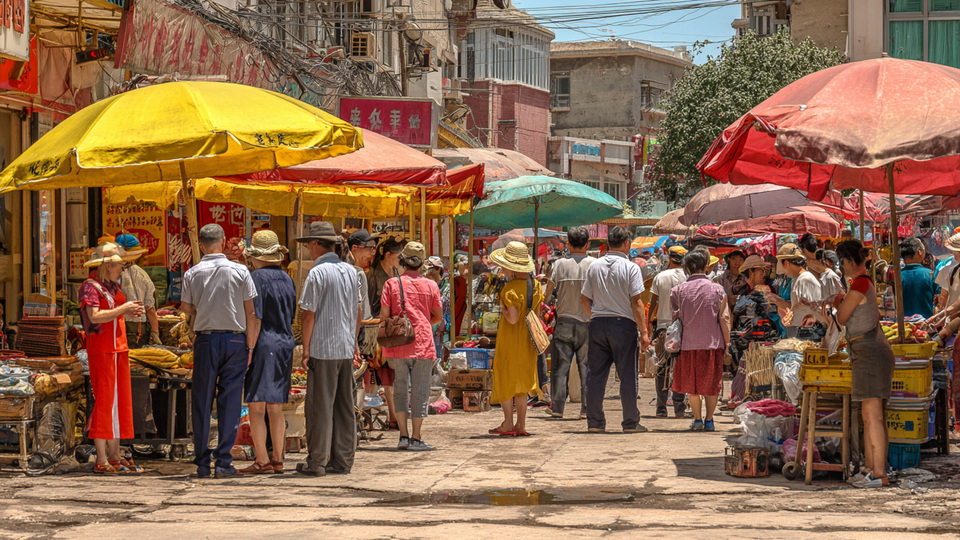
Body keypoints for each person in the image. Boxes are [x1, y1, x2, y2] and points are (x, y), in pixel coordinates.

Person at [180, 224, 259, 479]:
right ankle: (224, 461)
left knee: (202, 402)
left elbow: (186, 307)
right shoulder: (241, 271)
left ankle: (202, 462)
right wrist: (250, 345)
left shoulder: (192, 272)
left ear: (201, 245)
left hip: (205, 341)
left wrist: (204, 309)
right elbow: (250, 312)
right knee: (231, 401)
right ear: (224, 242)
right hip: (235, 341)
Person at [296, 221, 362, 476]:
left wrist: (306, 348)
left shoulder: (317, 274)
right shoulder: (349, 271)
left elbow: (308, 314)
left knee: (320, 407)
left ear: (314, 245)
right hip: (345, 348)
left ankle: (318, 461)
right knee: (344, 407)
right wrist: (352, 340)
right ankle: (343, 460)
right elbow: (357, 312)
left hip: (323, 349)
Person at [80, 243, 145, 473]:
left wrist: (127, 310)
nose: (124, 268)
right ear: (107, 265)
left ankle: (115, 455)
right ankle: (101, 458)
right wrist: (122, 309)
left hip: (118, 349)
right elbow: (95, 317)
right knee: (105, 402)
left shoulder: (110, 286)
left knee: (118, 403)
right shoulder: (90, 287)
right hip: (103, 350)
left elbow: (113, 313)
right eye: (121, 264)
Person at [835, 240, 895, 488]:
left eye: (842, 261)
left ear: (849, 261)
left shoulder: (860, 282)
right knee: (871, 415)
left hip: (870, 352)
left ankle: (879, 472)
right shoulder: (862, 282)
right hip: (868, 350)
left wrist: (837, 302)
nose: (841, 266)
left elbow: (842, 316)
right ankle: (871, 469)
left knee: (873, 416)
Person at [580, 226, 651, 434]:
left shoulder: (594, 266)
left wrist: (593, 316)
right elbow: (637, 302)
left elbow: (584, 298)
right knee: (627, 375)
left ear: (608, 243)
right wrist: (644, 332)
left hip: (598, 324)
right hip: (623, 325)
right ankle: (630, 422)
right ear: (627, 244)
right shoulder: (631, 268)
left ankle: (594, 422)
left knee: (596, 376)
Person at [238, 230, 297, 475]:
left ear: (255, 257)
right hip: (285, 342)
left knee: (256, 404)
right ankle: (278, 459)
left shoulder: (255, 278)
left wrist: (249, 347)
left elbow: (255, 317)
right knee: (275, 405)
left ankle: (261, 459)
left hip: (263, 342)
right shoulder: (287, 279)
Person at [381, 242, 443, 450]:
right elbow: (437, 317)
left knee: (399, 389)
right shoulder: (432, 286)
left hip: (398, 343)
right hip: (423, 343)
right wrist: (423, 322)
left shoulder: (391, 284)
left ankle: (403, 436)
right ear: (422, 263)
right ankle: (417, 437)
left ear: (402, 260)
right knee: (420, 391)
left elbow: (384, 316)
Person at [671, 250, 731, 432]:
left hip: (687, 345)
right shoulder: (718, 290)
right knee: (712, 384)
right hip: (712, 344)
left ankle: (697, 420)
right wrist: (728, 344)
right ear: (706, 266)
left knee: (693, 385)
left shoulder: (677, 291)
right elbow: (724, 318)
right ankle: (710, 420)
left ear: (687, 268)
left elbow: (675, 319)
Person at [487, 241, 542, 437]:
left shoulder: (509, 289)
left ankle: (507, 422)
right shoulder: (536, 286)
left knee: (506, 378)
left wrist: (501, 306)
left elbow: (512, 319)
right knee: (522, 383)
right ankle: (521, 424)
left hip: (510, 341)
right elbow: (537, 313)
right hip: (528, 341)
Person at [543, 226, 595, 419]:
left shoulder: (559, 265)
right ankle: (586, 408)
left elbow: (548, 295)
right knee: (587, 367)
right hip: (588, 322)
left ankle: (557, 408)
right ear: (587, 244)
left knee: (560, 368)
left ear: (568, 244)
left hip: (564, 322)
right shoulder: (594, 264)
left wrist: (548, 303)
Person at [368, 237, 405, 430]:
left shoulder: (399, 272)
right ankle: (392, 415)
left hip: (396, 331)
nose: (401, 259)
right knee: (383, 374)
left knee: (395, 375)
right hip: (378, 330)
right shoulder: (373, 275)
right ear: (389, 255)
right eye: (398, 256)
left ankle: (395, 415)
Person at [649, 245, 689, 419]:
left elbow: (652, 304)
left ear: (669, 258)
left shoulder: (660, 277)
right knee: (681, 368)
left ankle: (661, 408)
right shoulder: (689, 278)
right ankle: (679, 408)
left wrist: (649, 327)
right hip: (684, 328)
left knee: (662, 368)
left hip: (663, 328)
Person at [769, 243, 824, 339]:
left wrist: (790, 315)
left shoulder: (805, 279)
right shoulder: (796, 279)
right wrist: (777, 301)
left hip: (808, 333)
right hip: (800, 331)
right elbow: (796, 305)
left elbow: (809, 308)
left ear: (786, 263)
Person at [115, 234, 161, 348]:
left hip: (119, 328)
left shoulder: (112, 273)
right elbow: (149, 307)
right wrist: (155, 333)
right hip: (139, 329)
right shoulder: (142, 274)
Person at [899, 237, 940, 318]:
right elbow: (940, 298)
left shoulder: (897, 276)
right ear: (919, 252)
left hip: (902, 323)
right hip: (925, 324)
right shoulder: (930, 274)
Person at [347, 229, 378, 321]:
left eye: (374, 247)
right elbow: (365, 316)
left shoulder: (338, 271)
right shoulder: (359, 274)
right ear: (355, 249)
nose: (373, 253)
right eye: (369, 248)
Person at [425, 256, 449, 359]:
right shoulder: (425, 286)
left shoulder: (447, 288)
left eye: (431, 268)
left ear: (438, 269)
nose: (428, 271)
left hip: (441, 331)